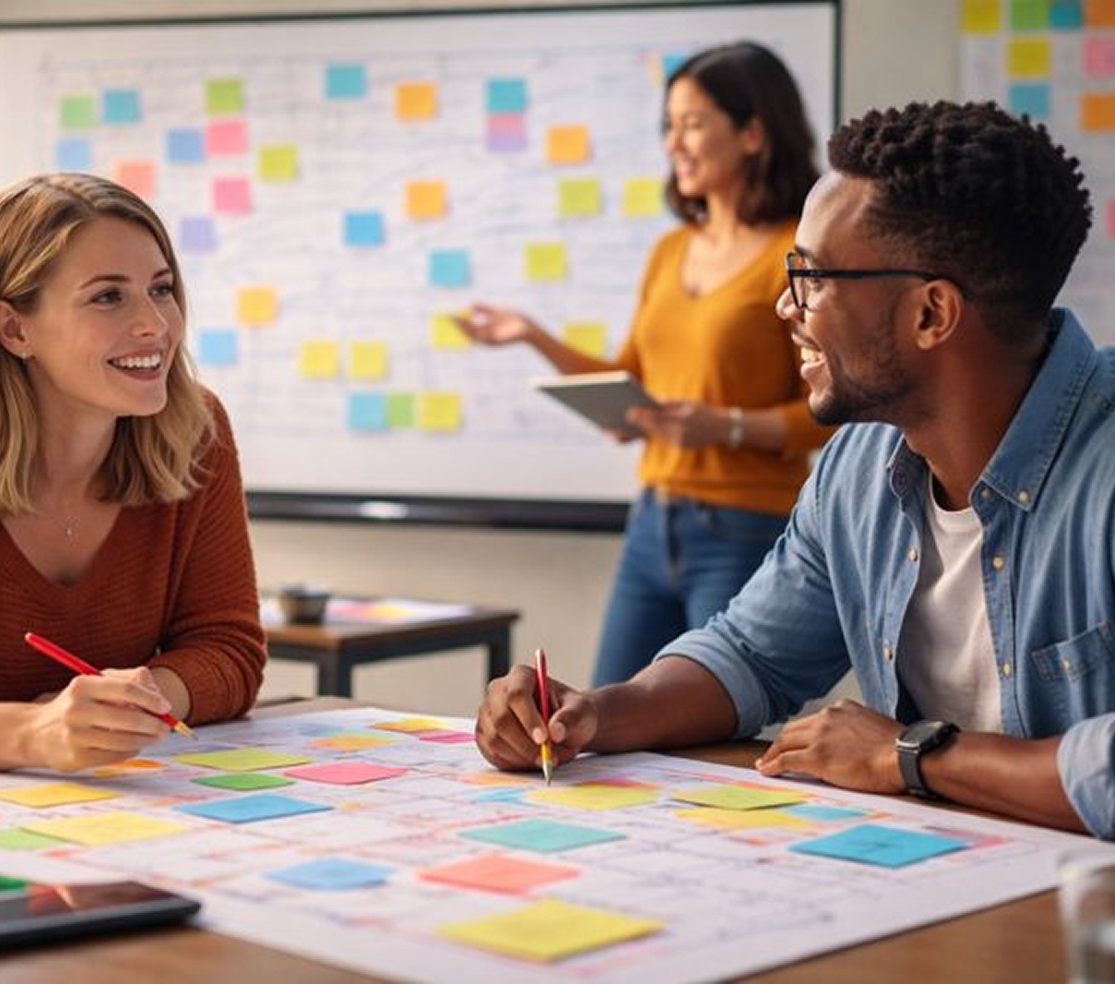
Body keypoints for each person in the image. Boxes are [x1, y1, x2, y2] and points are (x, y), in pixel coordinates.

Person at [475, 99, 1115, 840]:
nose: (785, 306)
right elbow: (750, 655)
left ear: (931, 315)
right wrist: (594, 714)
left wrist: (912, 757)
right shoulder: (860, 463)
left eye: (810, 278)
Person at [454, 43, 833, 686]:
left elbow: (834, 408)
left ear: (752, 132)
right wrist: (534, 337)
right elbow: (632, 376)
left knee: (716, 724)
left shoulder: (795, 252)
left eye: (692, 123)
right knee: (606, 713)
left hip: (744, 529)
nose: (674, 143)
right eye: (669, 125)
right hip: (652, 524)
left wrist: (728, 428)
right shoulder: (667, 250)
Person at [0, 172, 266, 773]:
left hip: (95, 815)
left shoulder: (196, 431)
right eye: (108, 297)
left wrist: (139, 699)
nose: (155, 326)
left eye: (161, 289)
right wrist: (31, 732)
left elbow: (229, 649)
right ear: (13, 328)